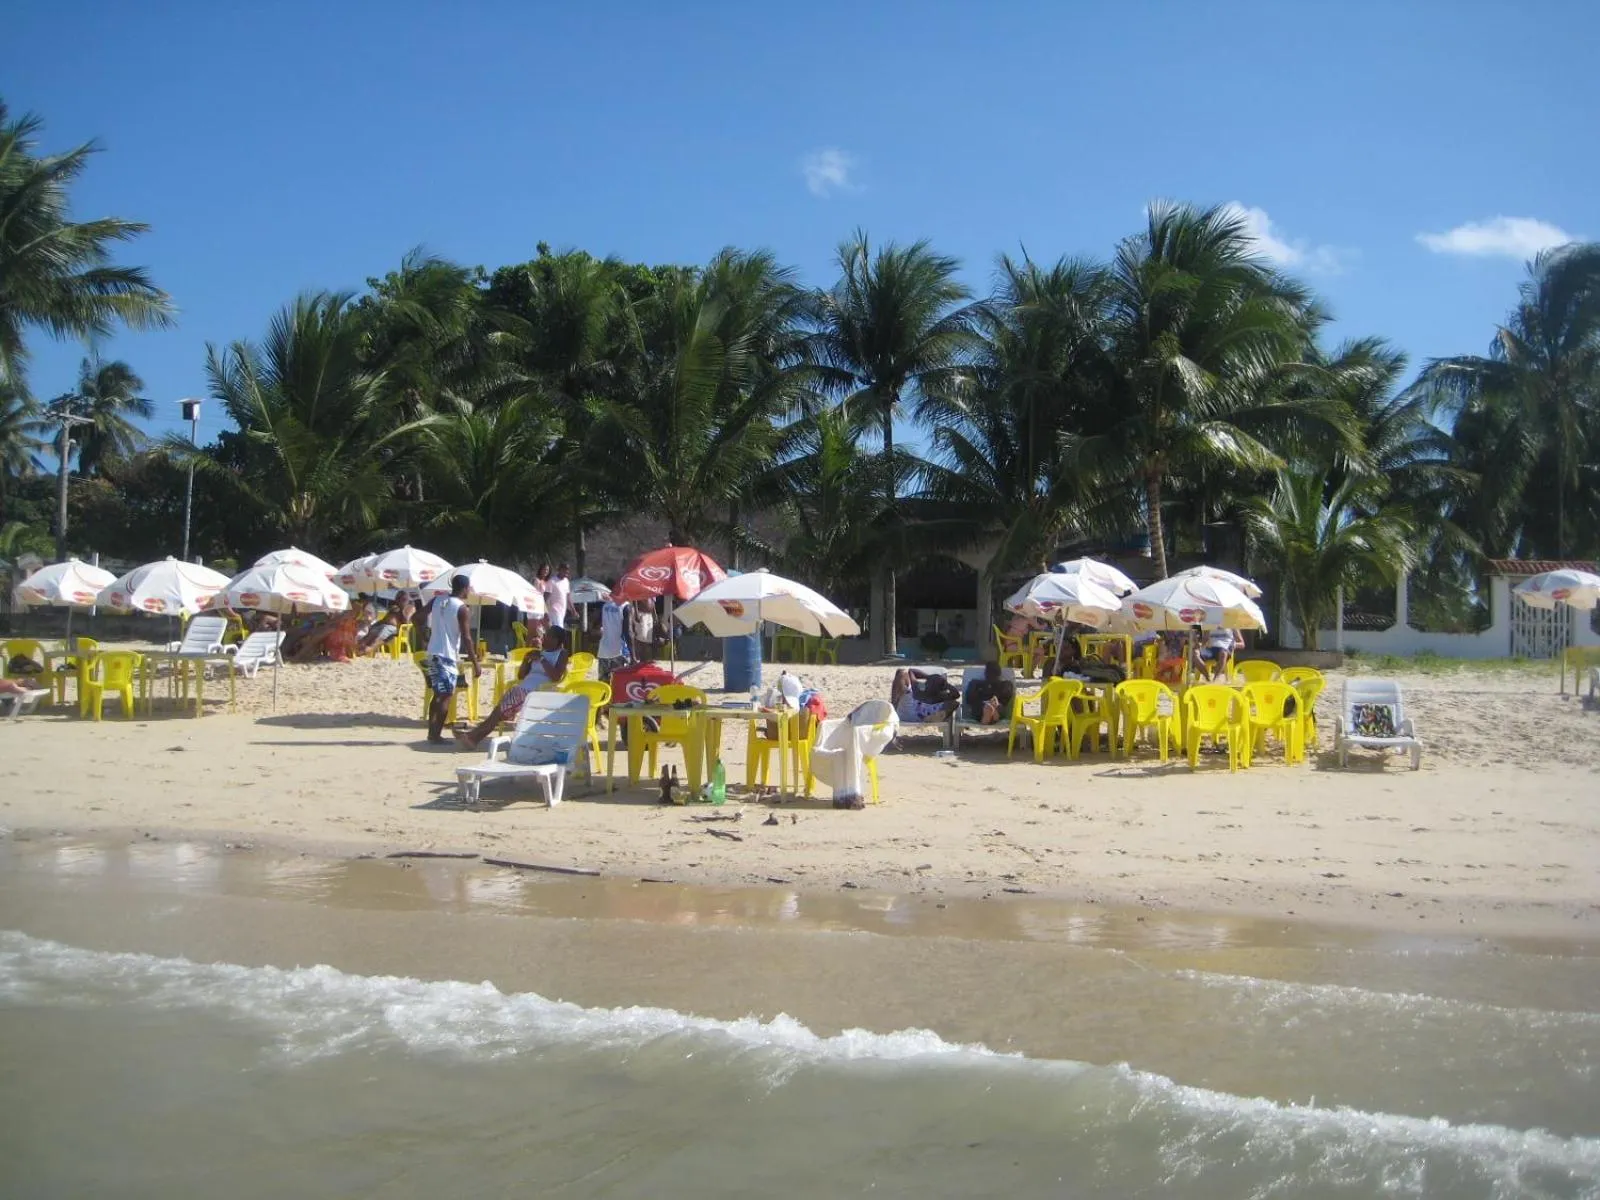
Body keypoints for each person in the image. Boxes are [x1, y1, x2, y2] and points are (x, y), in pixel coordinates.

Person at [425, 574, 481, 743]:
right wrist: (475, 663)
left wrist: (425, 636)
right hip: (447, 657)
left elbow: (416, 617)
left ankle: (432, 733)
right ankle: (435, 735)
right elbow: (467, 638)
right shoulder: (462, 608)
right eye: (469, 588)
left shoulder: (437, 600)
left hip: (433, 653)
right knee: (446, 696)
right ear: (465, 588)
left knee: (438, 695)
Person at [455, 652, 537, 750]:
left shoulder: (553, 657)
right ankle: (473, 736)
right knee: (497, 711)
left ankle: (473, 737)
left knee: (498, 712)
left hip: (533, 693)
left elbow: (553, 676)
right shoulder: (539, 655)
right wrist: (526, 660)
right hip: (519, 690)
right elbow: (521, 676)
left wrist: (543, 660)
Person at [890, 668, 961, 724]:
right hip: (911, 710)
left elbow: (956, 695)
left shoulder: (940, 696)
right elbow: (911, 671)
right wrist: (928, 676)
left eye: (932, 683)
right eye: (929, 682)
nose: (928, 684)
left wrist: (945, 684)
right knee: (901, 672)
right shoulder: (917, 687)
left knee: (954, 703)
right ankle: (892, 708)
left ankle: (935, 717)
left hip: (919, 714)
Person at [963, 661, 1016, 725]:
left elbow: (1007, 699)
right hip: (983, 708)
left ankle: (988, 715)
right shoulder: (976, 683)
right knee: (989, 706)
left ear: (985, 673)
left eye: (994, 673)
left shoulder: (1006, 684)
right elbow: (969, 699)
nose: (992, 676)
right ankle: (991, 712)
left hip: (994, 708)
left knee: (993, 706)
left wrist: (993, 700)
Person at [597, 592, 633, 678]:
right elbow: (627, 632)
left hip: (603, 651)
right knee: (618, 682)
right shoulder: (626, 606)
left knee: (603, 683)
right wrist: (633, 655)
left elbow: (599, 625)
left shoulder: (605, 606)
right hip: (619, 651)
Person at [546, 563, 572, 633]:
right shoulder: (552, 581)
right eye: (565, 570)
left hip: (562, 611)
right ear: (560, 570)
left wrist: (573, 610)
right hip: (554, 611)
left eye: (567, 570)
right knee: (559, 631)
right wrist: (544, 611)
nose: (567, 572)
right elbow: (545, 597)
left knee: (556, 632)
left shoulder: (566, 581)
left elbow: (568, 597)